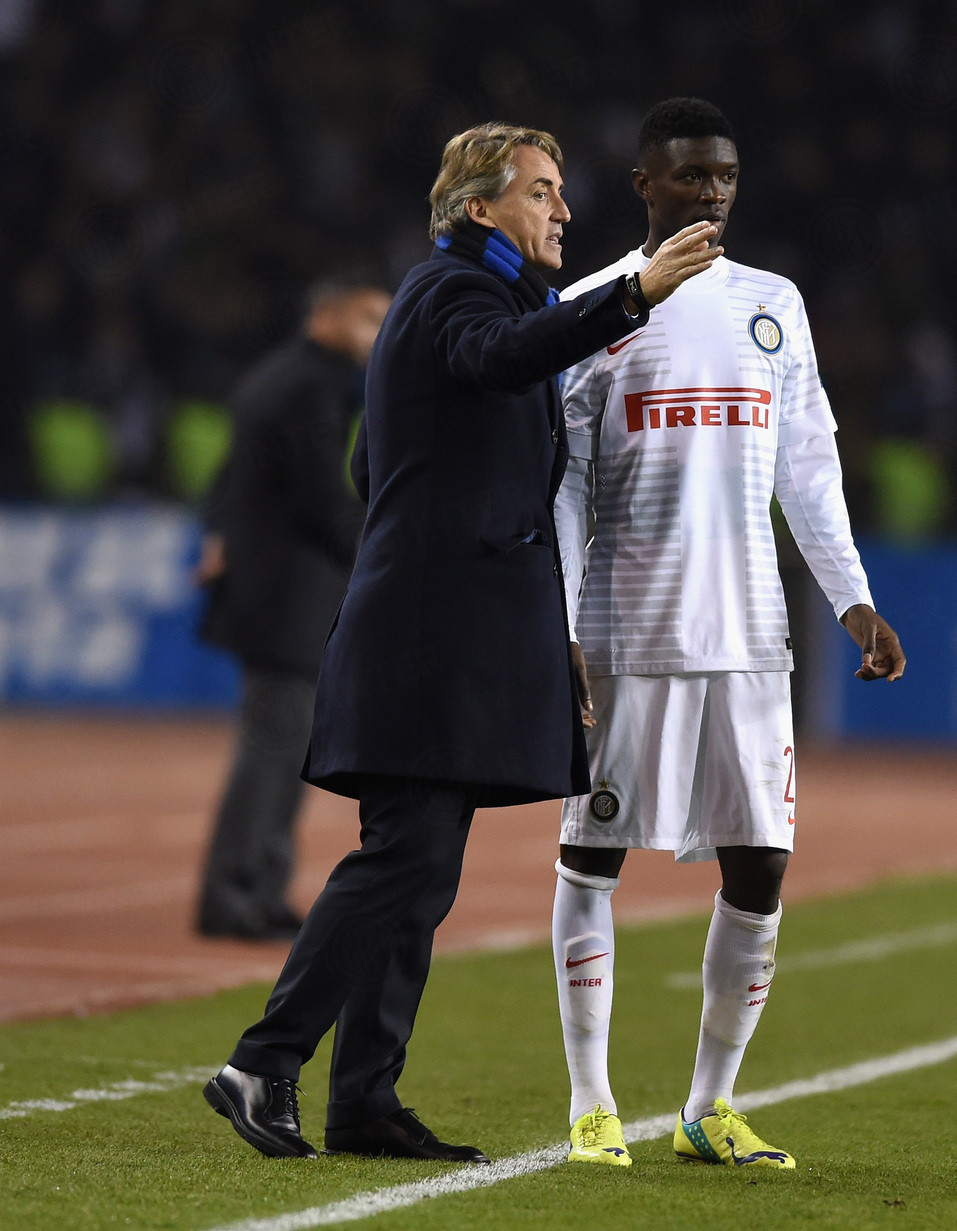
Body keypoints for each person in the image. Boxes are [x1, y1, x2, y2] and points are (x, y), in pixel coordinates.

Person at [202, 122, 722, 1162]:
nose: (563, 209)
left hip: (446, 624)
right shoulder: (454, 292)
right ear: (479, 208)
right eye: (540, 190)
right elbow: (493, 361)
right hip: (430, 632)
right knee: (406, 856)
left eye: (560, 190)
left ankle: (363, 1099)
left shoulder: (477, 300)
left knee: (421, 866)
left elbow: (373, 470)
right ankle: (264, 1061)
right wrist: (632, 294)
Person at [550, 98, 907, 1170]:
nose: (711, 191)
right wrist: (562, 618)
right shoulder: (591, 308)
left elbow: (807, 465)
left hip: (751, 633)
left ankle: (709, 1106)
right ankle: (591, 1102)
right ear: (644, 185)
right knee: (591, 856)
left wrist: (852, 597)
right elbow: (564, 484)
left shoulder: (772, 304)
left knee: (761, 869)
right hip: (627, 628)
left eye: (725, 175)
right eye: (690, 174)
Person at [194, 282, 390, 941]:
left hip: (276, 592)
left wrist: (219, 532)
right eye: (368, 318)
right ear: (326, 316)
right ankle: (233, 896)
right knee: (272, 750)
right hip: (286, 598)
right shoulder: (310, 387)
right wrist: (379, 556)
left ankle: (261, 887)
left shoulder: (286, 377)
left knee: (284, 747)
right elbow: (320, 498)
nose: (377, 333)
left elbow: (231, 476)